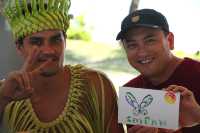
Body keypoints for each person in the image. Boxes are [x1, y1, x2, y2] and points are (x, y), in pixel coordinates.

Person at [0, 0, 124, 132]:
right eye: (36, 42)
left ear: (65, 41)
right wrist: (4, 98)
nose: (48, 50)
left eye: (56, 40)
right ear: (19, 47)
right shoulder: (7, 90)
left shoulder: (96, 84)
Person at [116, 8, 200, 133]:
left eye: (150, 41)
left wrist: (198, 117)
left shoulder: (196, 73)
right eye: (132, 45)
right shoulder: (132, 93)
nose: (142, 52)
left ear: (170, 41)